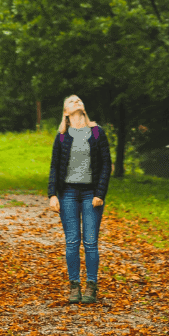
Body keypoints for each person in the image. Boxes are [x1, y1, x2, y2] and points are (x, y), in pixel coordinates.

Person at [48, 94, 112, 304]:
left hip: (90, 194)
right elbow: (54, 167)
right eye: (72, 101)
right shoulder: (62, 136)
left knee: (91, 242)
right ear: (66, 112)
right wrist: (52, 195)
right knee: (72, 242)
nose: (77, 102)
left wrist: (99, 194)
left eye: (79, 100)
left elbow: (105, 165)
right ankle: (74, 286)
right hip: (68, 194)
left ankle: (91, 287)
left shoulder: (96, 132)